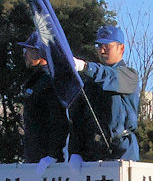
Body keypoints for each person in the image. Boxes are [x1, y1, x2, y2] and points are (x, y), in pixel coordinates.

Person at [70, 25, 140, 161]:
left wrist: (86, 67)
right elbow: (78, 119)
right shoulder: (90, 81)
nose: (102, 51)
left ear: (121, 48)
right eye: (99, 46)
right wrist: (75, 151)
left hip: (122, 149)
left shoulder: (129, 76)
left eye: (107, 46)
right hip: (93, 150)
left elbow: (110, 77)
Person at [19, 32, 69, 163]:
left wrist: (53, 154)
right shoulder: (38, 80)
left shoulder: (51, 81)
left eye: (27, 50)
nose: (24, 54)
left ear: (40, 51)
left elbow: (57, 119)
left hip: (46, 158)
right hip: (36, 155)